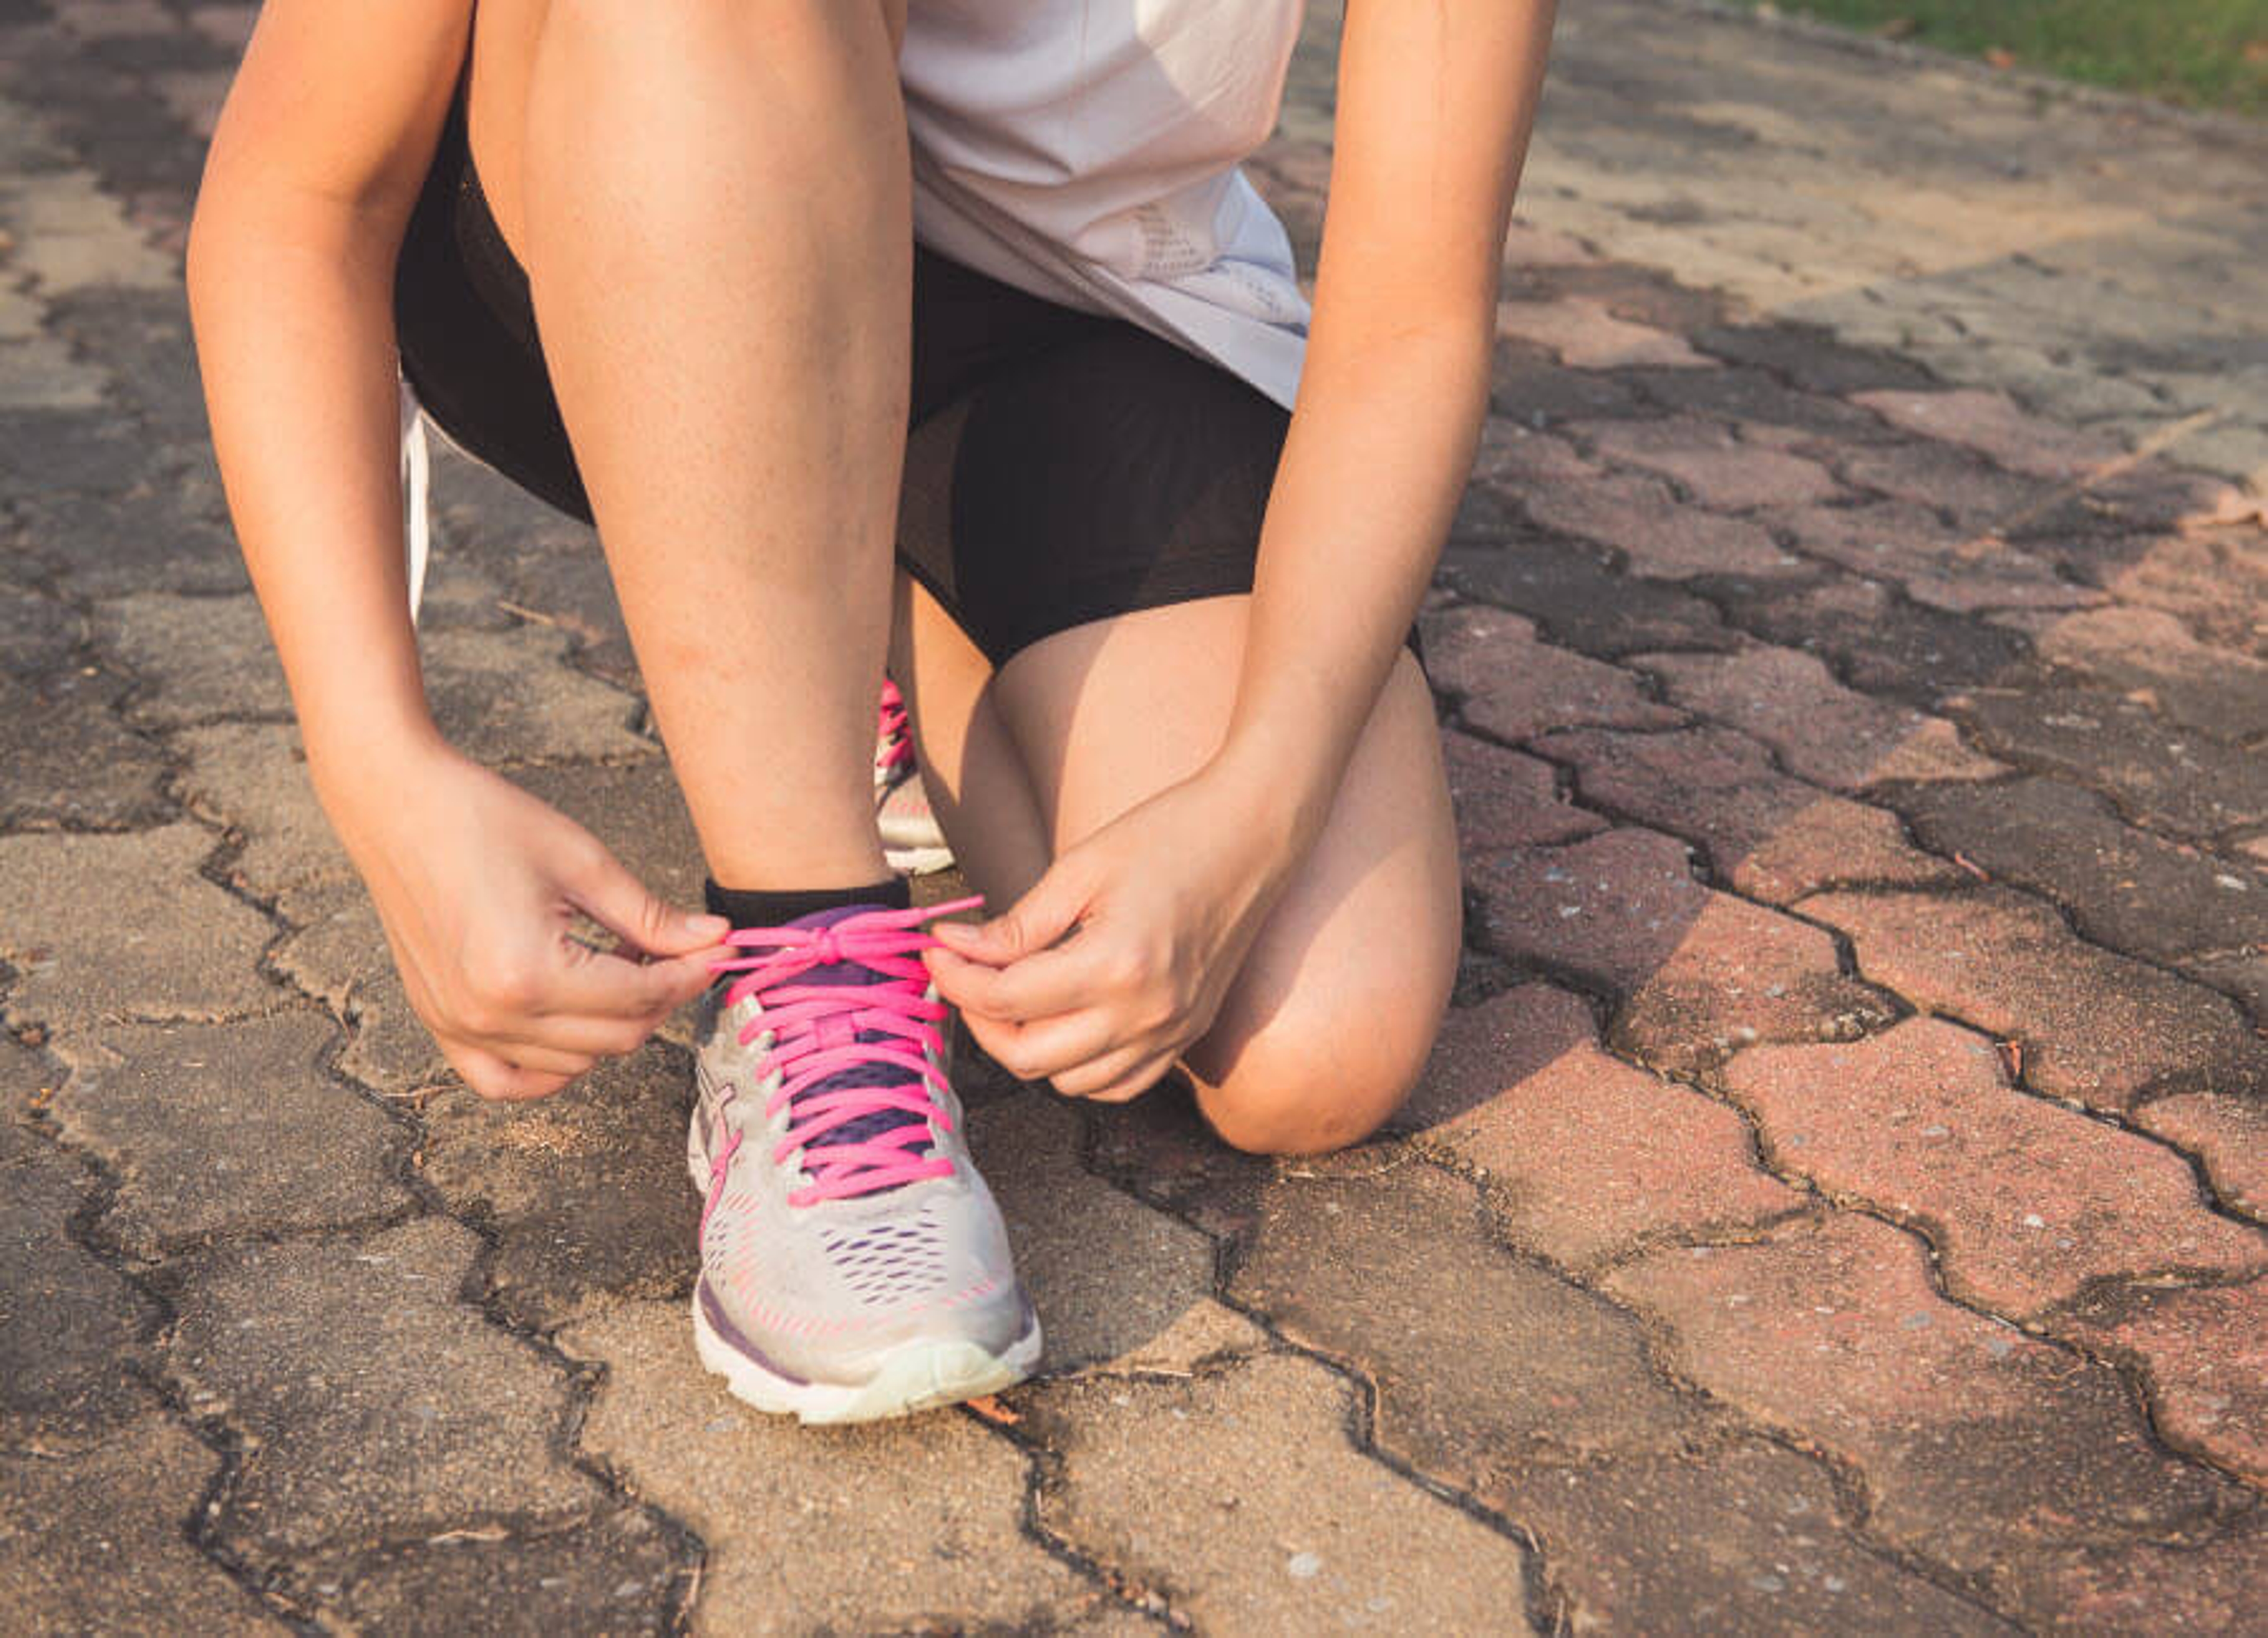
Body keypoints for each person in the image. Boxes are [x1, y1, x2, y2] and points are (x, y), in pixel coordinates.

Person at [187, 0, 1558, 1422]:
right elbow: (298, 197)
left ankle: (844, 621)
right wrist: (377, 761)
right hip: (630, 173)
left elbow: (1414, 312)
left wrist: (1257, 804)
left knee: (1307, 1042)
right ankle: (809, 958)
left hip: (1079, 311)